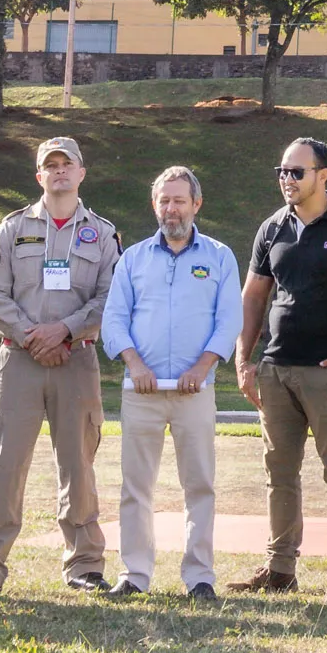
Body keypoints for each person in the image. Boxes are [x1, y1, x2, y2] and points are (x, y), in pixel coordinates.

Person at [0, 135, 122, 595]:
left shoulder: (103, 233)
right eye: (49, 166)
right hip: (19, 360)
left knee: (79, 465)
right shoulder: (12, 229)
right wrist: (34, 335)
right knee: (5, 463)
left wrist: (65, 331)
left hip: (77, 359)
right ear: (39, 176)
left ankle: (86, 566)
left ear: (81, 172)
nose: (58, 172)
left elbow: (111, 297)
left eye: (66, 164)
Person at [234, 136, 327, 592]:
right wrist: (244, 361)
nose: (287, 180)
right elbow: (254, 296)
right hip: (276, 369)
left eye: (297, 172)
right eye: (282, 171)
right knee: (279, 473)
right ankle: (280, 570)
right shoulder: (272, 228)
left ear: (323, 175)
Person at [99, 165, 240, 599]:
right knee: (135, 487)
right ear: (154, 205)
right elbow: (114, 320)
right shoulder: (134, 258)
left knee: (199, 485)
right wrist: (135, 364)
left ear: (196, 204)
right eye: (164, 200)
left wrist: (202, 368)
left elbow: (229, 319)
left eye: (180, 200)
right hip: (141, 392)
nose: (171, 208)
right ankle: (135, 575)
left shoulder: (219, 256)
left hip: (194, 391)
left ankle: (199, 577)